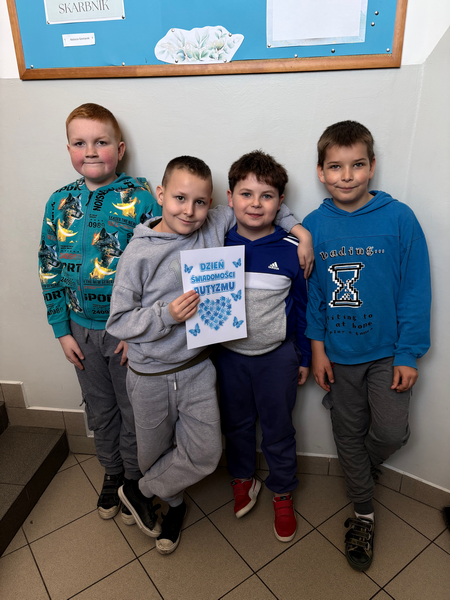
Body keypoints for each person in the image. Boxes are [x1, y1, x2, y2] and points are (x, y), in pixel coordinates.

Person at [106, 155, 313, 554]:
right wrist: (161, 318)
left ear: (214, 204)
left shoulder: (215, 223)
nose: (189, 210)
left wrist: (301, 233)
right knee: (157, 450)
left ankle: (138, 490)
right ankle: (170, 503)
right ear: (160, 195)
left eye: (200, 202)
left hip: (200, 365)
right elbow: (120, 319)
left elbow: (264, 202)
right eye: (180, 199)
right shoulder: (139, 252)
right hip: (154, 371)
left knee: (212, 447)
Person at [303, 120, 431, 571]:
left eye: (357, 165)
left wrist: (408, 352)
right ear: (321, 171)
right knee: (347, 433)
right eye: (335, 167)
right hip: (338, 356)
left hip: (388, 352)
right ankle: (363, 513)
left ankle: (359, 466)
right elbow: (312, 295)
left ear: (372, 166)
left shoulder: (400, 218)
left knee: (391, 432)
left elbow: (415, 289)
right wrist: (317, 349)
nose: (347, 176)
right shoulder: (313, 226)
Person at [38, 103, 161, 522]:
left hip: (127, 333)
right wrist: (61, 330)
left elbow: (158, 269)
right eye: (79, 143)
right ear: (69, 149)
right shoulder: (59, 202)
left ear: (120, 149)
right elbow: (48, 265)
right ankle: (112, 472)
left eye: (101, 142)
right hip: (79, 331)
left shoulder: (141, 199)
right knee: (100, 407)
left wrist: (137, 330)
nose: (90, 151)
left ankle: (134, 479)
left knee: (133, 410)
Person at [214, 151, 311, 543]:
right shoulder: (214, 243)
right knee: (236, 424)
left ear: (280, 202)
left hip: (277, 358)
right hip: (228, 357)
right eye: (246, 194)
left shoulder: (292, 248)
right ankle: (243, 478)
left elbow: (303, 307)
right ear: (230, 198)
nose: (255, 203)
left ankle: (282, 491)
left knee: (278, 428)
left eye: (266, 195)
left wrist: (303, 355)